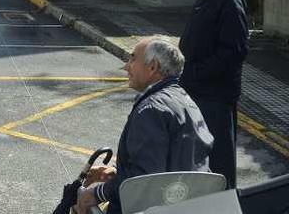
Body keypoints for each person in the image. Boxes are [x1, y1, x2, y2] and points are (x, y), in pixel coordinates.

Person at [75, 38, 214, 214]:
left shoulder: (152, 109)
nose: (126, 66)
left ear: (152, 67)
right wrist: (117, 172)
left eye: (133, 59)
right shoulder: (184, 100)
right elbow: (173, 163)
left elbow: (144, 181)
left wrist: (98, 193)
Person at [178, 0, 250, 189]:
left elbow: (234, 52)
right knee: (195, 155)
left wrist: (196, 73)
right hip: (197, 90)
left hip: (214, 95)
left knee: (217, 160)